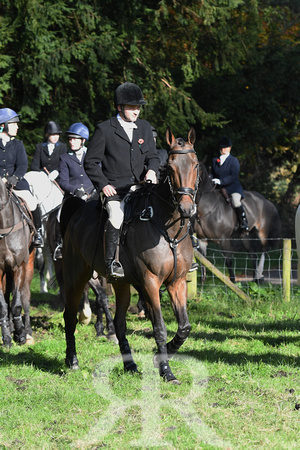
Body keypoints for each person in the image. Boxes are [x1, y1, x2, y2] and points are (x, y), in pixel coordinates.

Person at [84, 82, 160, 281]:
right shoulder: (104, 129)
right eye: (132, 107)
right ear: (120, 107)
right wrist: (103, 185)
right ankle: (111, 263)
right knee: (117, 215)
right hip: (114, 189)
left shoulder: (144, 127)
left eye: (139, 107)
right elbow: (90, 162)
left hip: (142, 188)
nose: (137, 111)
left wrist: (152, 170)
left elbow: (153, 156)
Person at [0, 108, 44, 247]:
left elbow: (23, 164)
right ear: (3, 125)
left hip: (16, 184)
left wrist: (15, 177)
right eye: (13, 124)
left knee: (32, 202)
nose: (17, 127)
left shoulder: (18, 144)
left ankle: (39, 233)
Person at [53, 122, 96, 259]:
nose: (71, 142)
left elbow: (98, 174)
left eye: (75, 139)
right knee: (60, 215)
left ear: (83, 141)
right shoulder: (64, 158)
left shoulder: (92, 156)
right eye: (70, 139)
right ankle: (60, 244)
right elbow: (63, 181)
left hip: (93, 194)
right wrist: (75, 190)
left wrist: (95, 190)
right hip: (73, 197)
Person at [211, 136, 249, 233]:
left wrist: (221, 181)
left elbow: (234, 176)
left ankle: (244, 222)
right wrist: (211, 179)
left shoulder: (234, 160)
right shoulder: (215, 160)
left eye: (226, 147)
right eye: (222, 148)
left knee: (236, 201)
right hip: (218, 188)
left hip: (233, 187)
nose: (224, 149)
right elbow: (212, 173)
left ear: (229, 148)